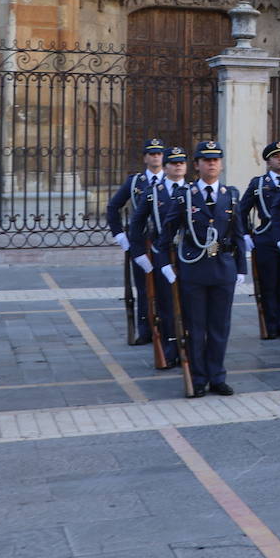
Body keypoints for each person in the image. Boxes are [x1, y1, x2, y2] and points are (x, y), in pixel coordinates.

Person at [152, 141, 248, 397]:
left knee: (220, 326)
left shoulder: (231, 194)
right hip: (193, 269)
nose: (212, 163)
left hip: (222, 269)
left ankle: (217, 376)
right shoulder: (185, 195)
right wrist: (164, 267)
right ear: (196, 165)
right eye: (206, 160)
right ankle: (198, 377)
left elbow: (239, 234)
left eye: (216, 159)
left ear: (221, 164)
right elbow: (165, 236)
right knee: (195, 327)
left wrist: (241, 268)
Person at [129, 145, 188, 367]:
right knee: (165, 305)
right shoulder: (154, 192)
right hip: (162, 255)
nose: (178, 166)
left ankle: (188, 344)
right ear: (166, 167)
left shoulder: (192, 191)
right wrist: (138, 253)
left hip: (187, 255)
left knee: (188, 303)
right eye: (173, 163)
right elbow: (136, 224)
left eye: (181, 162)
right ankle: (170, 346)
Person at [106, 138, 166, 345]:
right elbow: (113, 207)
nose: (155, 157)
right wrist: (120, 236)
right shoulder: (135, 182)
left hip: (164, 243)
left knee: (167, 286)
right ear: (145, 158)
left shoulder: (171, 179)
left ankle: (166, 328)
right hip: (141, 243)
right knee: (143, 288)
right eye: (151, 154)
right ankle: (145, 329)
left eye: (159, 153)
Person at [242, 141, 280, 338]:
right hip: (267, 237)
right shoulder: (259, 183)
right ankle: (270, 323)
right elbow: (242, 211)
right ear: (268, 161)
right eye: (276, 156)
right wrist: (246, 234)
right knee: (268, 283)